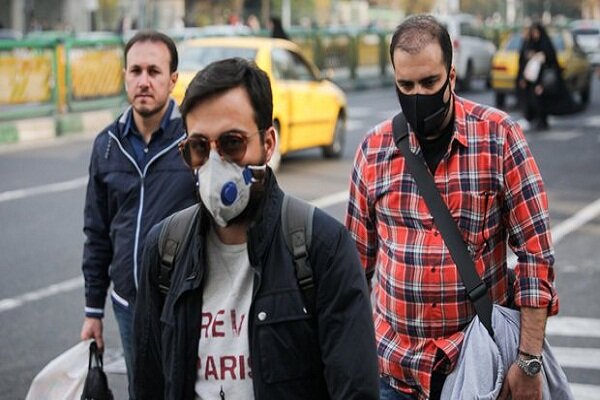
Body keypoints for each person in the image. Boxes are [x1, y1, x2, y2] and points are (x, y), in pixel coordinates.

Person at [132, 57, 379, 399]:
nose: (215, 164)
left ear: (268, 143)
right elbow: (147, 383)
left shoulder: (323, 247)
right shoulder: (164, 249)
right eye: (199, 147)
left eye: (232, 143)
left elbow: (355, 389)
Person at [345, 15, 559, 400]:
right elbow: (353, 270)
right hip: (393, 372)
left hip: (477, 369)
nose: (417, 96)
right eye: (406, 85)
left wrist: (529, 361)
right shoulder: (373, 150)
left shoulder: (498, 137)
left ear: (452, 77)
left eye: (430, 83)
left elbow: (535, 253)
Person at [80, 30, 197, 396]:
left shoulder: (194, 141)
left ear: (173, 80)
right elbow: (97, 232)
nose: (144, 81)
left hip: (185, 304)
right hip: (129, 306)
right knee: (142, 390)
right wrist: (93, 311)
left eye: (154, 71)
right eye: (136, 71)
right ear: (125, 76)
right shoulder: (107, 145)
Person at [517, 22, 574, 131]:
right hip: (531, 80)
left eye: (536, 32)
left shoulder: (545, 45)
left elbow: (551, 63)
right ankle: (535, 119)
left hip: (543, 80)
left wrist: (542, 58)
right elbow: (523, 62)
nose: (535, 35)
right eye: (533, 32)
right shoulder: (529, 44)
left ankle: (542, 121)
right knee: (532, 101)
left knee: (541, 101)